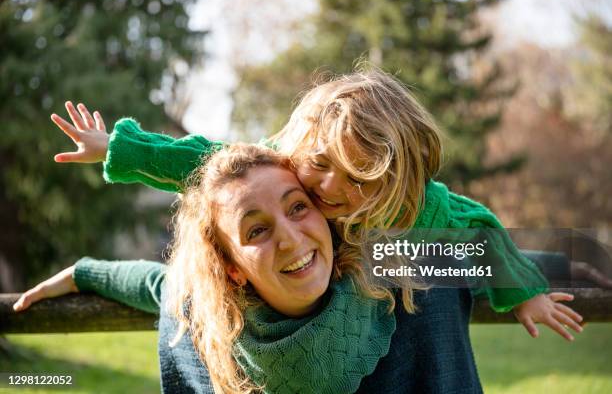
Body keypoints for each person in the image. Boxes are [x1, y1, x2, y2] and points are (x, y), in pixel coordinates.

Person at [44, 66, 584, 340]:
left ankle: (573, 268)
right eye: (321, 164)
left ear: (391, 182)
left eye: (357, 180)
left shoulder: (422, 212)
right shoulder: (284, 170)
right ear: (303, 146)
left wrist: (523, 294)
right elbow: (203, 159)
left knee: (536, 265)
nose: (327, 189)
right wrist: (119, 147)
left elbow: (483, 232)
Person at [14, 144, 482, 393]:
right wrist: (83, 274)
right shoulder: (212, 315)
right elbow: (161, 285)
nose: (291, 238)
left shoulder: (395, 266)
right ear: (232, 269)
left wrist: (532, 287)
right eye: (255, 231)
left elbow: (484, 254)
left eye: (298, 207)